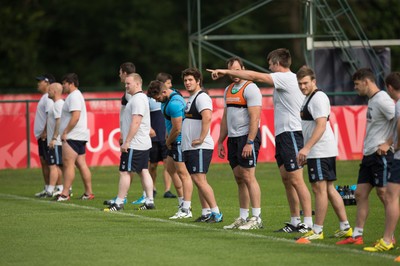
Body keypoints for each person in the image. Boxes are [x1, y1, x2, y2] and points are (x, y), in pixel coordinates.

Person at [208, 50, 313, 231]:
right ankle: (295, 221)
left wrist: (225, 72)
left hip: (292, 133)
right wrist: (221, 140)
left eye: (270, 64)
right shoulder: (282, 80)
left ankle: (309, 224)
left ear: (277, 63)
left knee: (296, 179)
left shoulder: (285, 78)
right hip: (282, 134)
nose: (269, 68)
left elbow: (254, 76)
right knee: (287, 180)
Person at [337, 68, 395, 245]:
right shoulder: (373, 100)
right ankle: (357, 236)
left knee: (385, 195)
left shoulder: (383, 99)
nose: (355, 88)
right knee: (360, 194)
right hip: (369, 155)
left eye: (356, 84)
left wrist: (388, 143)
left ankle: (390, 237)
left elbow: (398, 120)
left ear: (366, 82)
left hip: (382, 156)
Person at [293, 66, 352, 243]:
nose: (302, 87)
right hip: (320, 151)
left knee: (319, 189)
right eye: (300, 84)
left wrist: (306, 148)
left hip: (320, 151)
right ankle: (345, 227)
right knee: (328, 189)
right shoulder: (309, 98)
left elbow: (321, 125)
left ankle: (317, 230)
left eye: (305, 83)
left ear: (314, 81)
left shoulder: (318, 98)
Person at [208, 57, 263, 229]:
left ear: (244, 69)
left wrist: (250, 142)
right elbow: (225, 117)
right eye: (232, 71)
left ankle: (256, 218)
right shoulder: (228, 90)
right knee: (239, 178)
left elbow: (255, 118)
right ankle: (243, 217)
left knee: (248, 176)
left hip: (247, 137)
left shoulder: (251, 88)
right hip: (233, 138)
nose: (235, 74)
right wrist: (220, 141)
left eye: (238, 70)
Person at [104, 73, 155, 211]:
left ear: (138, 84)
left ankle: (119, 202)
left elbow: (136, 121)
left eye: (128, 83)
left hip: (135, 143)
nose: (126, 86)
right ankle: (149, 201)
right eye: (125, 83)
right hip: (142, 142)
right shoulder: (140, 98)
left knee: (125, 171)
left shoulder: (138, 99)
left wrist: (127, 142)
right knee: (143, 170)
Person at [364, 72, 400, 252]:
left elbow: (398, 126)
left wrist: (390, 144)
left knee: (390, 197)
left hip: (394, 157)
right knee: (388, 196)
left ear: (390, 87)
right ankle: (387, 238)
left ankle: (388, 239)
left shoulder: (395, 103)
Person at [181, 68, 223, 223]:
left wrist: (201, 138)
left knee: (199, 179)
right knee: (198, 179)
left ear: (198, 81)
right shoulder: (191, 98)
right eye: (185, 80)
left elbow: (207, 117)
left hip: (200, 146)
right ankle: (206, 212)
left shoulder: (202, 97)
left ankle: (216, 213)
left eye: (191, 80)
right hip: (191, 146)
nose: (187, 83)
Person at [147, 80, 193, 219]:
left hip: (179, 141)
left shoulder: (174, 103)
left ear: (164, 91)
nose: (158, 101)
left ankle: (186, 209)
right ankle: (181, 204)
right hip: (172, 140)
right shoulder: (165, 99)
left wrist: (167, 141)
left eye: (158, 98)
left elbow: (178, 128)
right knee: (171, 170)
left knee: (183, 174)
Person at [56, 73, 94, 201]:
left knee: (68, 165)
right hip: (79, 135)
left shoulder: (74, 96)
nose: (63, 86)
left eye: (64, 83)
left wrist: (66, 131)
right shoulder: (76, 95)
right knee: (81, 164)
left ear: (71, 83)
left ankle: (65, 194)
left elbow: (75, 116)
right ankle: (88, 193)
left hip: (73, 136)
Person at [104, 62, 136, 206]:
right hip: (130, 135)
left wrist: (125, 136)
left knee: (127, 169)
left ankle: (122, 198)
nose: (119, 75)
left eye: (120, 72)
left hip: (131, 136)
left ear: (124, 73)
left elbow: (133, 116)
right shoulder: (129, 91)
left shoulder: (131, 94)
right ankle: (145, 197)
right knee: (138, 168)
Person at [34, 74, 55, 197]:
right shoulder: (44, 97)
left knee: (50, 162)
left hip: (45, 136)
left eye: (40, 81)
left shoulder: (48, 97)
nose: (38, 84)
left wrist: (45, 131)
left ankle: (55, 188)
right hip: (42, 136)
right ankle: (47, 187)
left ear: (47, 83)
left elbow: (50, 115)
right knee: (44, 161)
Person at [44, 82, 64, 197]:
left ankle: (52, 189)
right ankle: (59, 188)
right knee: (55, 164)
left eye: (50, 90)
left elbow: (59, 121)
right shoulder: (56, 104)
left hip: (56, 141)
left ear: (55, 92)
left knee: (54, 165)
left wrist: (54, 138)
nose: (48, 91)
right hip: (54, 140)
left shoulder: (58, 105)